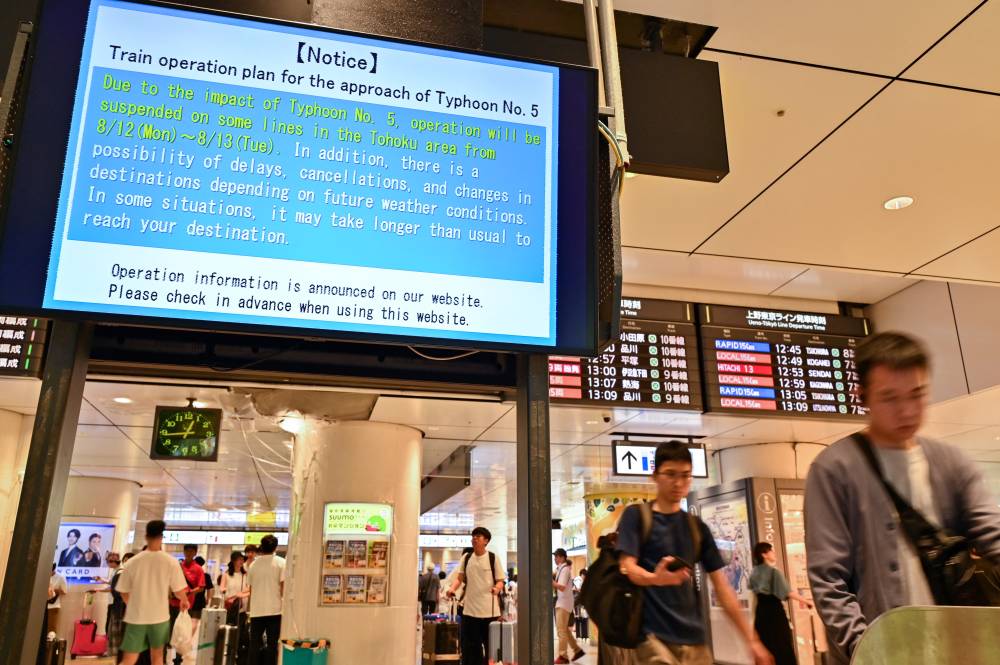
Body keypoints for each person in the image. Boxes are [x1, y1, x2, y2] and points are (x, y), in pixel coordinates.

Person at [805, 332, 1000, 663]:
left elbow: (993, 534)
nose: (907, 411)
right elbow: (829, 579)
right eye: (890, 398)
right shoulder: (835, 469)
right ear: (862, 396)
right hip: (884, 652)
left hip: (957, 647)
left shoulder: (951, 463)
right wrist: (863, 649)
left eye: (917, 394)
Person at [618, 441, 773, 665]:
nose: (678, 483)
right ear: (655, 476)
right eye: (670, 474)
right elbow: (628, 568)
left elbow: (722, 588)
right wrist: (656, 579)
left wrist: (752, 640)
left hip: (695, 640)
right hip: (651, 638)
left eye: (686, 475)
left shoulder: (696, 528)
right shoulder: (637, 516)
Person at [116, 520, 190, 665]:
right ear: (162, 537)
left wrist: (134, 606)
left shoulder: (132, 562)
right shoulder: (170, 562)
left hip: (136, 618)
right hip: (160, 617)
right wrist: (184, 601)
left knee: (129, 659)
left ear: (146, 536)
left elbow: (123, 591)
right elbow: (179, 591)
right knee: (157, 658)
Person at [446, 527, 506, 665]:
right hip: (470, 611)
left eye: (478, 536)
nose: (474, 539)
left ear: (486, 541)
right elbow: (459, 578)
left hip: (489, 611)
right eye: (473, 536)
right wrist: (452, 589)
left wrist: (497, 588)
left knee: (490, 646)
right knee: (471, 648)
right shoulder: (466, 558)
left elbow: (500, 580)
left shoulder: (492, 558)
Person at [749, 543, 812, 665]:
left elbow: (754, 596)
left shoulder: (754, 573)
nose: (774, 553)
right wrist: (806, 601)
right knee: (782, 649)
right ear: (764, 555)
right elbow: (788, 593)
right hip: (775, 615)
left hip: (760, 616)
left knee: (767, 648)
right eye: (771, 551)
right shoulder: (774, 572)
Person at [246, 534, 285, 665]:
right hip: (275, 611)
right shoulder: (281, 563)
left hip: (256, 611)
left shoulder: (253, 565)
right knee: (272, 645)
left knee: (254, 645)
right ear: (275, 547)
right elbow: (283, 588)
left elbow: (251, 590)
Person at [553, 548, 584, 663]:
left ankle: (563, 656)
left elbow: (561, 586)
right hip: (564, 602)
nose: (555, 559)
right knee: (565, 630)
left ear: (561, 557)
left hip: (563, 603)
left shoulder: (565, 569)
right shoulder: (561, 569)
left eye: (556, 556)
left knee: (561, 631)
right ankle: (577, 650)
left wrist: (550, 582)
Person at [221, 551, 250, 624]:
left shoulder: (245, 575)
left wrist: (241, 594)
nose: (241, 561)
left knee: (241, 630)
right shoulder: (226, 575)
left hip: (242, 608)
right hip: (230, 607)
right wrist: (233, 595)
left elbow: (250, 589)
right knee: (230, 630)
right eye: (239, 559)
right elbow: (222, 588)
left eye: (242, 559)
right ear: (233, 561)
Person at [47, 563, 67, 636]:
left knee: (51, 628)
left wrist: (53, 590)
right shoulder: (43, 576)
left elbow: (64, 591)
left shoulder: (60, 577)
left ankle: (51, 645)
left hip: (53, 606)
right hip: (41, 605)